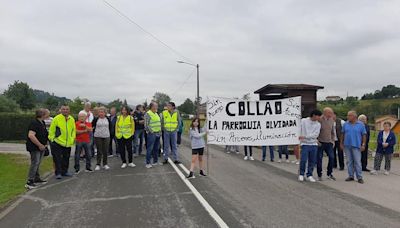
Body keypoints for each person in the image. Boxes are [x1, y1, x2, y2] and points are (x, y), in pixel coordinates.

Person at [48, 105, 76, 179]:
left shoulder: (71, 119)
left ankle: (65, 171)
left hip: (68, 143)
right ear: (61, 110)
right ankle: (58, 173)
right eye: (63, 109)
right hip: (58, 142)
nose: (65, 110)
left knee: (66, 158)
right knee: (57, 158)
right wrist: (52, 139)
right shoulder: (56, 119)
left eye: (67, 109)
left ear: (69, 110)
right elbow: (51, 130)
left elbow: (73, 130)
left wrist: (72, 138)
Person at [25, 109, 49, 189]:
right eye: (47, 114)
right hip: (34, 147)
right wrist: (39, 145)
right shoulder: (34, 123)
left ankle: (36, 178)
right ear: (43, 114)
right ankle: (29, 181)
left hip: (41, 146)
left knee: (38, 163)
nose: (48, 115)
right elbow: (31, 135)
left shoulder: (42, 123)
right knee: (35, 163)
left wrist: (45, 144)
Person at [340, 111, 367, 184]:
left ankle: (359, 177)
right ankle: (351, 175)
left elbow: (364, 135)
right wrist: (341, 143)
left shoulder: (361, 125)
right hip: (347, 145)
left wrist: (363, 144)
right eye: (348, 115)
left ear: (354, 117)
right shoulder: (345, 124)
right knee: (349, 161)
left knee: (357, 162)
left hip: (356, 145)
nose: (348, 117)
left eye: (349, 115)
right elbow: (342, 134)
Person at [298, 109, 322, 182]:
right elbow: (298, 128)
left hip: (313, 144)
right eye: (318, 116)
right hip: (305, 144)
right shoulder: (304, 121)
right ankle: (301, 174)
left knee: (312, 161)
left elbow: (315, 134)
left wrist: (305, 136)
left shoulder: (318, 124)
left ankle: (309, 174)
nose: (319, 118)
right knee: (303, 159)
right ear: (314, 115)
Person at [317, 107, 336, 181]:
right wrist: (317, 140)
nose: (331, 114)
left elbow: (332, 132)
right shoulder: (319, 120)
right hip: (320, 142)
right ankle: (319, 174)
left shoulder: (332, 120)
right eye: (330, 113)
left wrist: (333, 140)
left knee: (332, 157)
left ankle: (329, 173)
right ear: (325, 113)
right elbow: (316, 130)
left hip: (329, 142)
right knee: (319, 158)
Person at [144, 102, 162, 168]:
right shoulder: (148, 114)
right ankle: (148, 163)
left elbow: (158, 123)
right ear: (152, 107)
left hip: (157, 133)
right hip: (152, 134)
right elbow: (146, 125)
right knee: (150, 148)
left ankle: (155, 161)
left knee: (156, 148)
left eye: (157, 106)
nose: (157, 107)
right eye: (156, 106)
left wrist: (159, 132)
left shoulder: (156, 113)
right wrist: (151, 132)